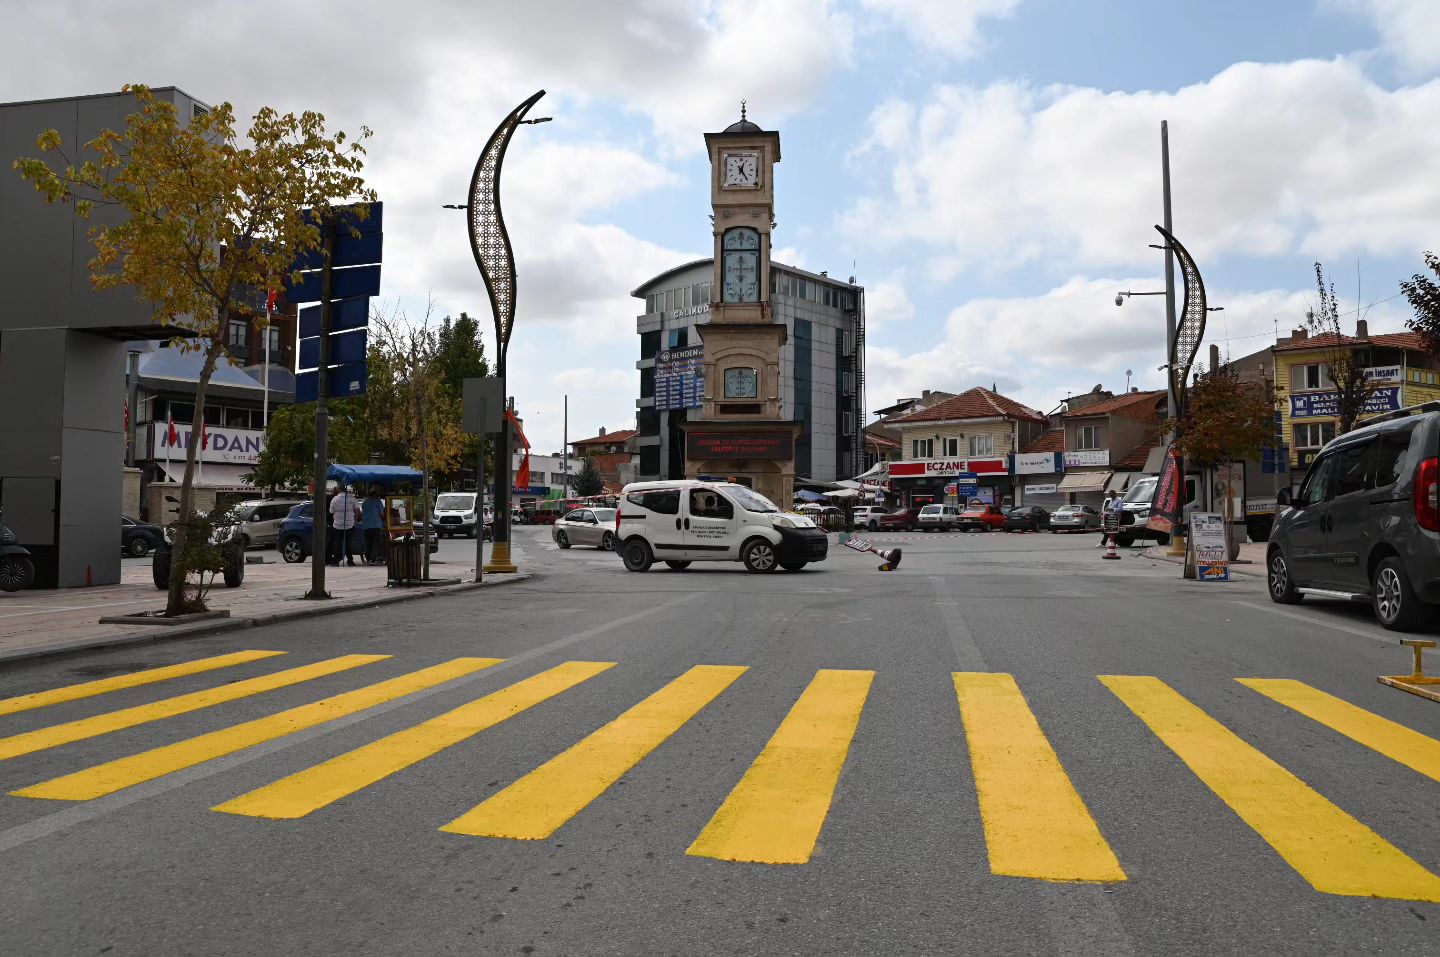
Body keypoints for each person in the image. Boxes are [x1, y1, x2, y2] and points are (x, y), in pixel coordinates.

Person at [329, 484, 361, 566]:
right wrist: (356, 520)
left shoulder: (335, 499)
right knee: (348, 543)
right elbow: (357, 510)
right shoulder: (352, 498)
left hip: (337, 524)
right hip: (349, 524)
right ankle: (350, 560)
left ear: (339, 490)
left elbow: (331, 511)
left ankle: (336, 561)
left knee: (337, 543)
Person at [360, 488, 385, 564]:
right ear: (375, 495)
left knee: (368, 542)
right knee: (375, 543)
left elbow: (363, 512)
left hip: (366, 526)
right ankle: (372, 558)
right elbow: (382, 514)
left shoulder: (365, 502)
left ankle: (368, 558)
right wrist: (384, 519)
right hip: (376, 525)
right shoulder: (378, 502)